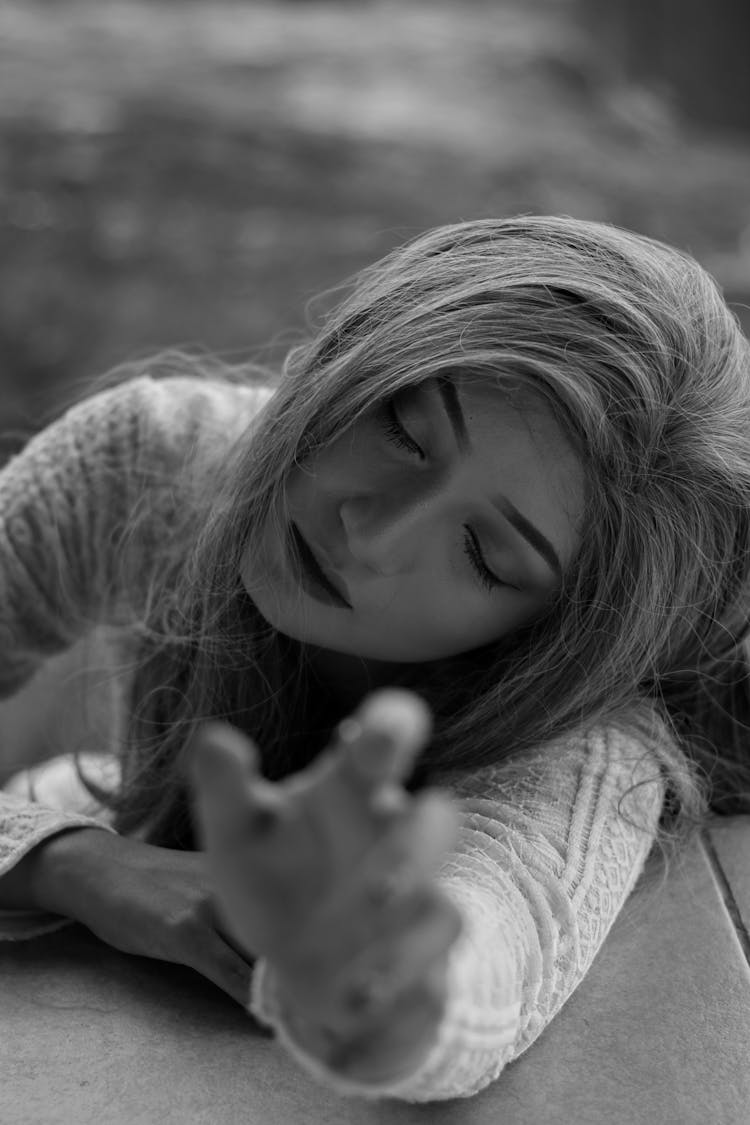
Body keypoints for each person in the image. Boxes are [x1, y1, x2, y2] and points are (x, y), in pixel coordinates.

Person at [0, 214, 749, 1103]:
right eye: (402, 427)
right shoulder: (156, 458)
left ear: (555, 634)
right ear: (345, 352)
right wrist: (74, 861)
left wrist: (365, 966)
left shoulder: (581, 744)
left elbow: (480, 973)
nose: (374, 530)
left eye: (485, 555)